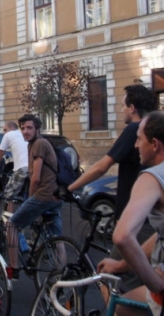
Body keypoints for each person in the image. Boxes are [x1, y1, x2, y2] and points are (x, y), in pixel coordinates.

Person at [68, 84, 157, 292]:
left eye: (123, 105)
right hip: (145, 220)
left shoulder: (134, 130)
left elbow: (102, 166)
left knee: (109, 278)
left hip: (136, 222)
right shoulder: (149, 130)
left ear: (132, 107)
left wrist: (70, 188)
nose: (121, 109)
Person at [97, 111, 164, 316]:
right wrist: (121, 265)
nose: (136, 145)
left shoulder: (151, 178)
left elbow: (122, 236)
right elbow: (160, 235)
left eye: (139, 139)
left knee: (117, 307)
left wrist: (158, 287)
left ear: (154, 144)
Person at [6, 114, 62, 280]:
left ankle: (14, 268)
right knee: (57, 239)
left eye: (29, 128)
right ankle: (63, 275)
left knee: (11, 225)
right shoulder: (38, 144)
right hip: (55, 196)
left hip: (43, 195)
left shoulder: (38, 144)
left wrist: (30, 199)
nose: (25, 131)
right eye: (23, 128)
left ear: (38, 129)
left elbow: (35, 177)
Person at [0, 121, 29, 213]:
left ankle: (10, 223)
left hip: (22, 168)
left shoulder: (8, 135)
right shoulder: (23, 134)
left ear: (11, 128)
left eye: (5, 129)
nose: (4, 132)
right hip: (33, 168)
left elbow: (0, 154)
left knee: (8, 194)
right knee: (31, 197)